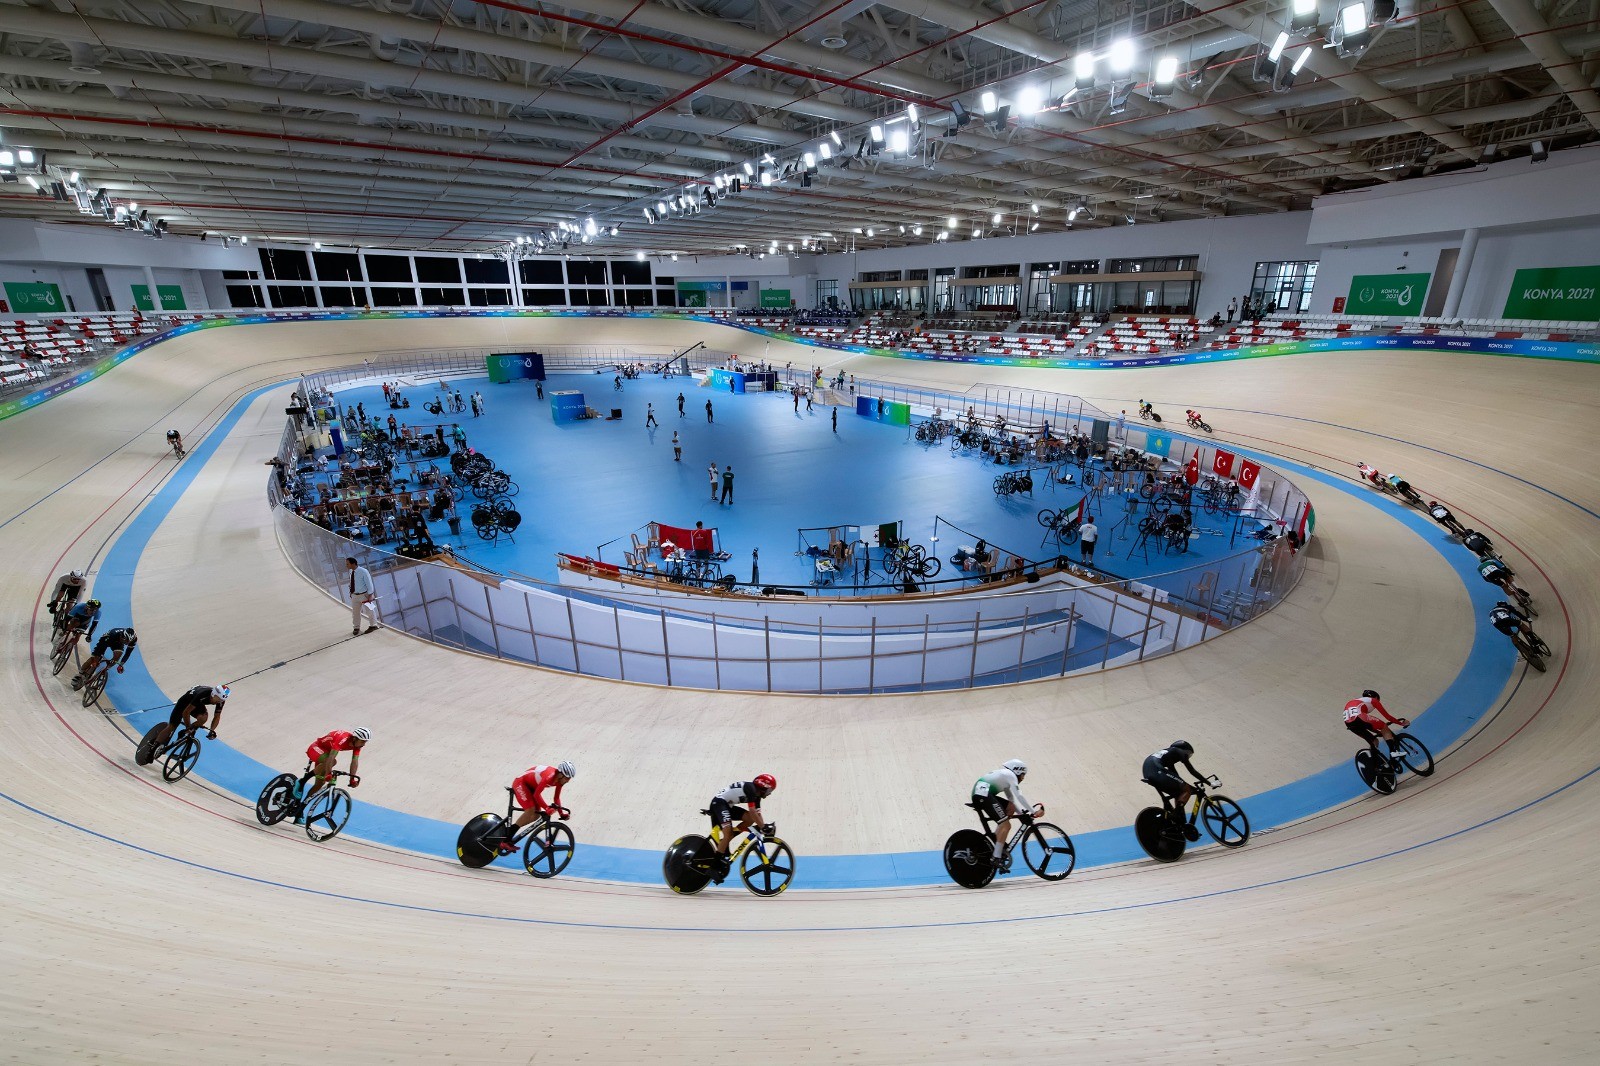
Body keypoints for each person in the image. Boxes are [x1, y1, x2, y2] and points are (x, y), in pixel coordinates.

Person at [971, 759, 1040, 867]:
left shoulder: (1004, 776)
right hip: (983, 794)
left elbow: (1011, 800)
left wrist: (1022, 812)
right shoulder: (1010, 775)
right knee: (1006, 825)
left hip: (982, 793)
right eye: (1023, 775)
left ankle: (996, 844)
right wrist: (1033, 811)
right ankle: (996, 857)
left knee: (1009, 808)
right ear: (1017, 771)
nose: (1023, 778)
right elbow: (1019, 796)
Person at [500, 761, 576, 854]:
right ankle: (506, 840)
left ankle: (509, 832)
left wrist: (561, 814)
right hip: (521, 782)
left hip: (531, 786)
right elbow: (537, 795)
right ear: (560, 775)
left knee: (536, 815)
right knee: (530, 810)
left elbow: (556, 798)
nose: (568, 780)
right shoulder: (549, 776)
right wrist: (547, 808)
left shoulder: (560, 782)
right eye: (567, 777)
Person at [707, 775, 776, 877]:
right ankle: (713, 867)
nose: (769, 793)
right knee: (727, 833)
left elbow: (757, 815)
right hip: (719, 803)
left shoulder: (756, 796)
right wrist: (762, 827)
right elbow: (752, 811)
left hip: (727, 805)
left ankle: (729, 837)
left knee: (750, 819)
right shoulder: (751, 789)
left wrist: (764, 826)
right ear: (763, 786)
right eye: (769, 790)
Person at [140, 684, 230, 761]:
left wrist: (212, 730)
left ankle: (187, 731)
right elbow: (185, 712)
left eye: (221, 700)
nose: (219, 702)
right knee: (171, 726)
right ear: (213, 694)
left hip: (197, 704)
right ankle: (152, 748)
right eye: (218, 699)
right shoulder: (202, 694)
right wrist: (188, 728)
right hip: (184, 702)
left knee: (203, 718)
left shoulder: (221, 700)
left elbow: (217, 716)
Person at [296, 727, 371, 816]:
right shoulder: (342, 739)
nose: (364, 744)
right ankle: (302, 781)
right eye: (363, 741)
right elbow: (331, 758)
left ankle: (299, 811)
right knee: (333, 761)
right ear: (354, 738)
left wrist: (352, 779)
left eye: (365, 742)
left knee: (319, 785)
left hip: (326, 754)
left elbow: (354, 762)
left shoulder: (357, 745)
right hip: (316, 748)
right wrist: (328, 773)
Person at [1142, 741, 1206, 826]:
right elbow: (1192, 771)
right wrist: (1208, 782)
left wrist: (1183, 784)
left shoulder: (1169, 754)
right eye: (1189, 754)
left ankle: (1179, 821)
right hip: (1158, 771)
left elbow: (1175, 775)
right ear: (1185, 750)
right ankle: (1175, 815)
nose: (1187, 757)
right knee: (1187, 789)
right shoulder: (1178, 751)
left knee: (1180, 791)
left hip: (1149, 771)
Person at [1342, 690, 1409, 760]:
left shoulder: (1356, 701)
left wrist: (1377, 732)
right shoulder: (1373, 700)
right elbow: (1388, 717)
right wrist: (1401, 723)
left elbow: (1365, 724)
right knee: (1384, 727)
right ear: (1376, 697)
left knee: (1374, 741)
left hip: (1349, 724)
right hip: (1359, 718)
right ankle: (1393, 752)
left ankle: (1375, 762)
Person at [71, 625, 138, 690]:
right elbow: (102, 647)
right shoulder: (113, 634)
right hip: (106, 639)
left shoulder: (134, 640)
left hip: (118, 643)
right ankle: (80, 674)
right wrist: (95, 659)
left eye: (128, 642)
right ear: (122, 636)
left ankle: (104, 670)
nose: (126, 643)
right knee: (94, 658)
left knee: (117, 656)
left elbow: (127, 653)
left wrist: (121, 664)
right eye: (125, 641)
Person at [346, 556, 379, 636]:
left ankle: (373, 625)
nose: (346, 566)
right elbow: (352, 582)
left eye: (347, 564)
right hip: (355, 595)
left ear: (353, 563)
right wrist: (351, 592)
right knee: (355, 612)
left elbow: (369, 584)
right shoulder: (351, 571)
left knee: (369, 610)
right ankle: (356, 627)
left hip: (364, 595)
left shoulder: (363, 571)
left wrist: (370, 595)